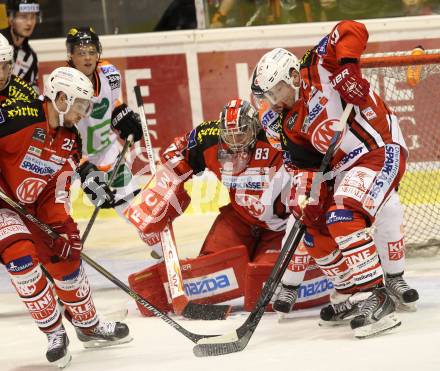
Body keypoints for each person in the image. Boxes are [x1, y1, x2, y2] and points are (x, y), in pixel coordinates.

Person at [251, 29, 418, 337]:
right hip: (345, 168)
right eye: (269, 96)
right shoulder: (289, 121)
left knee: (343, 215)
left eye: (276, 91)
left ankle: (377, 296)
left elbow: (351, 28)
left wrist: (348, 69)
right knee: (313, 224)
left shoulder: (316, 66)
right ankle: (353, 291)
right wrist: (306, 197)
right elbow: (306, 165)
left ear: (290, 75)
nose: (274, 101)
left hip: (379, 149)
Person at [126, 98, 331, 313]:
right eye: (229, 136)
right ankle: (169, 286)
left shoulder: (275, 138)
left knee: (264, 274)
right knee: (209, 265)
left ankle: (300, 272)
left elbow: (314, 163)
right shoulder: (209, 137)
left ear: (254, 130)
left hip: (278, 228)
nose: (235, 142)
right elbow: (175, 153)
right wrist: (166, 183)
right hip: (238, 220)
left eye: (241, 135)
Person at [0, 64, 132, 368]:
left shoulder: (70, 139)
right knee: (22, 260)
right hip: (3, 204)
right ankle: (54, 332)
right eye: (81, 105)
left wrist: (61, 226)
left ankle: (88, 325)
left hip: (38, 205)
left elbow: (57, 186)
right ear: (61, 98)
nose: (84, 113)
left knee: (68, 256)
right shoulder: (18, 117)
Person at [64, 26, 163, 258]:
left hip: (105, 151)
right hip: (68, 158)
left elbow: (111, 102)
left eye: (91, 51)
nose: (87, 57)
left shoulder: (109, 73)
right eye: (81, 52)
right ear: (71, 55)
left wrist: (122, 115)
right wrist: (83, 169)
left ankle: (162, 250)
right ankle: (60, 265)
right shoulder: (64, 84)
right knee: (58, 214)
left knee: (134, 204)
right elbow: (59, 133)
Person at [0, 0, 40, 91]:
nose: (29, 23)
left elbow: (32, 93)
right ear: (10, 18)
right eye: (23, 17)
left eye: (33, 16)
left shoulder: (31, 56)